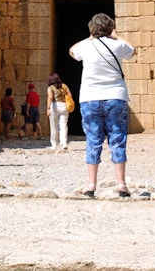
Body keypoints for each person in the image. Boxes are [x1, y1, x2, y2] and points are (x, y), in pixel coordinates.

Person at [69, 12, 135, 198]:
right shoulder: (118, 45)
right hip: (115, 97)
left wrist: (90, 37)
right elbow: (133, 50)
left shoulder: (86, 47)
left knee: (93, 139)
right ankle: (121, 184)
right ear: (110, 28)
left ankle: (91, 185)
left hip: (90, 98)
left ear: (92, 29)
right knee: (118, 138)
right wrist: (116, 35)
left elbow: (72, 51)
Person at [46, 73, 73, 151]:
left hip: (55, 105)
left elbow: (50, 98)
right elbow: (70, 95)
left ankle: (54, 144)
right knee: (63, 125)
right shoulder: (64, 86)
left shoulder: (51, 88)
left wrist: (48, 108)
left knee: (53, 125)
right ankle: (64, 143)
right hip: (64, 105)